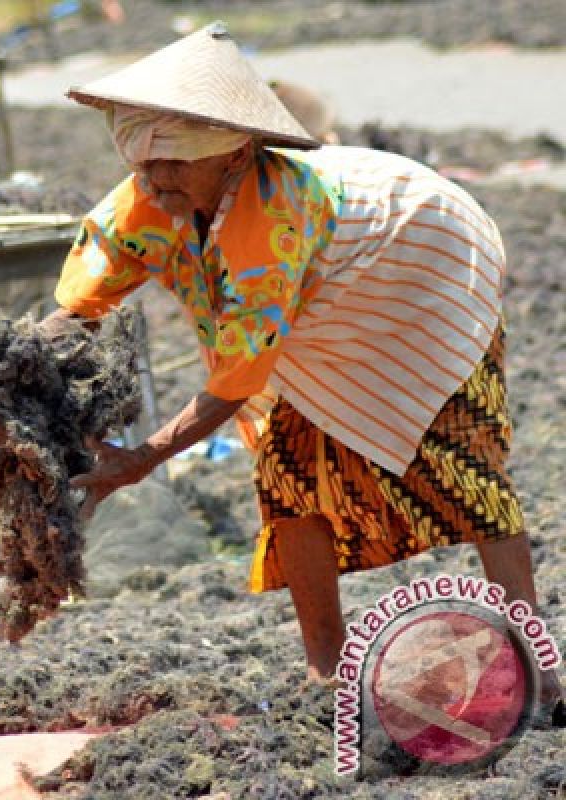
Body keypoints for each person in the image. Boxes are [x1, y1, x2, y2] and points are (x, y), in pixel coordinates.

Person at [41, 21, 564, 721]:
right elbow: (79, 304)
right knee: (288, 475)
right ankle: (328, 672)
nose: (155, 177)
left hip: (421, 266)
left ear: (233, 155)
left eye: (173, 163)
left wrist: (140, 458)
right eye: (142, 162)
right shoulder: (147, 200)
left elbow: (238, 377)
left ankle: (539, 663)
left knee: (464, 468)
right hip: (321, 287)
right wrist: (10, 371)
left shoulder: (273, 217)